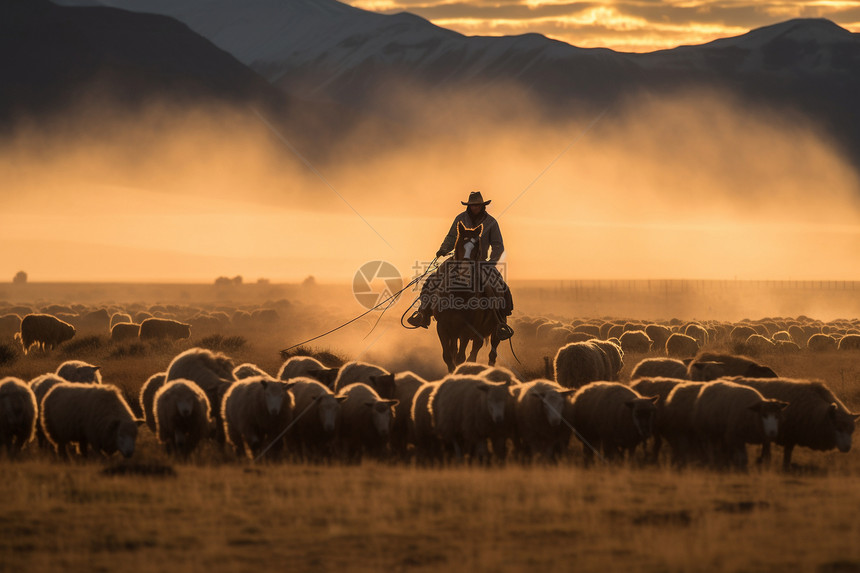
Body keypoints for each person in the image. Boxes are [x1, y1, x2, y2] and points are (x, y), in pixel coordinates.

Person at [407, 191, 514, 340]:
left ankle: (500, 322)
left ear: (483, 206)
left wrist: (491, 263)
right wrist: (444, 249)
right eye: (472, 205)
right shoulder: (460, 219)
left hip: (481, 262)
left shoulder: (491, 223)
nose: (475, 207)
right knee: (432, 281)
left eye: (477, 205)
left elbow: (498, 245)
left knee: (500, 286)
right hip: (456, 260)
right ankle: (423, 313)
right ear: (469, 206)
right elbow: (451, 237)